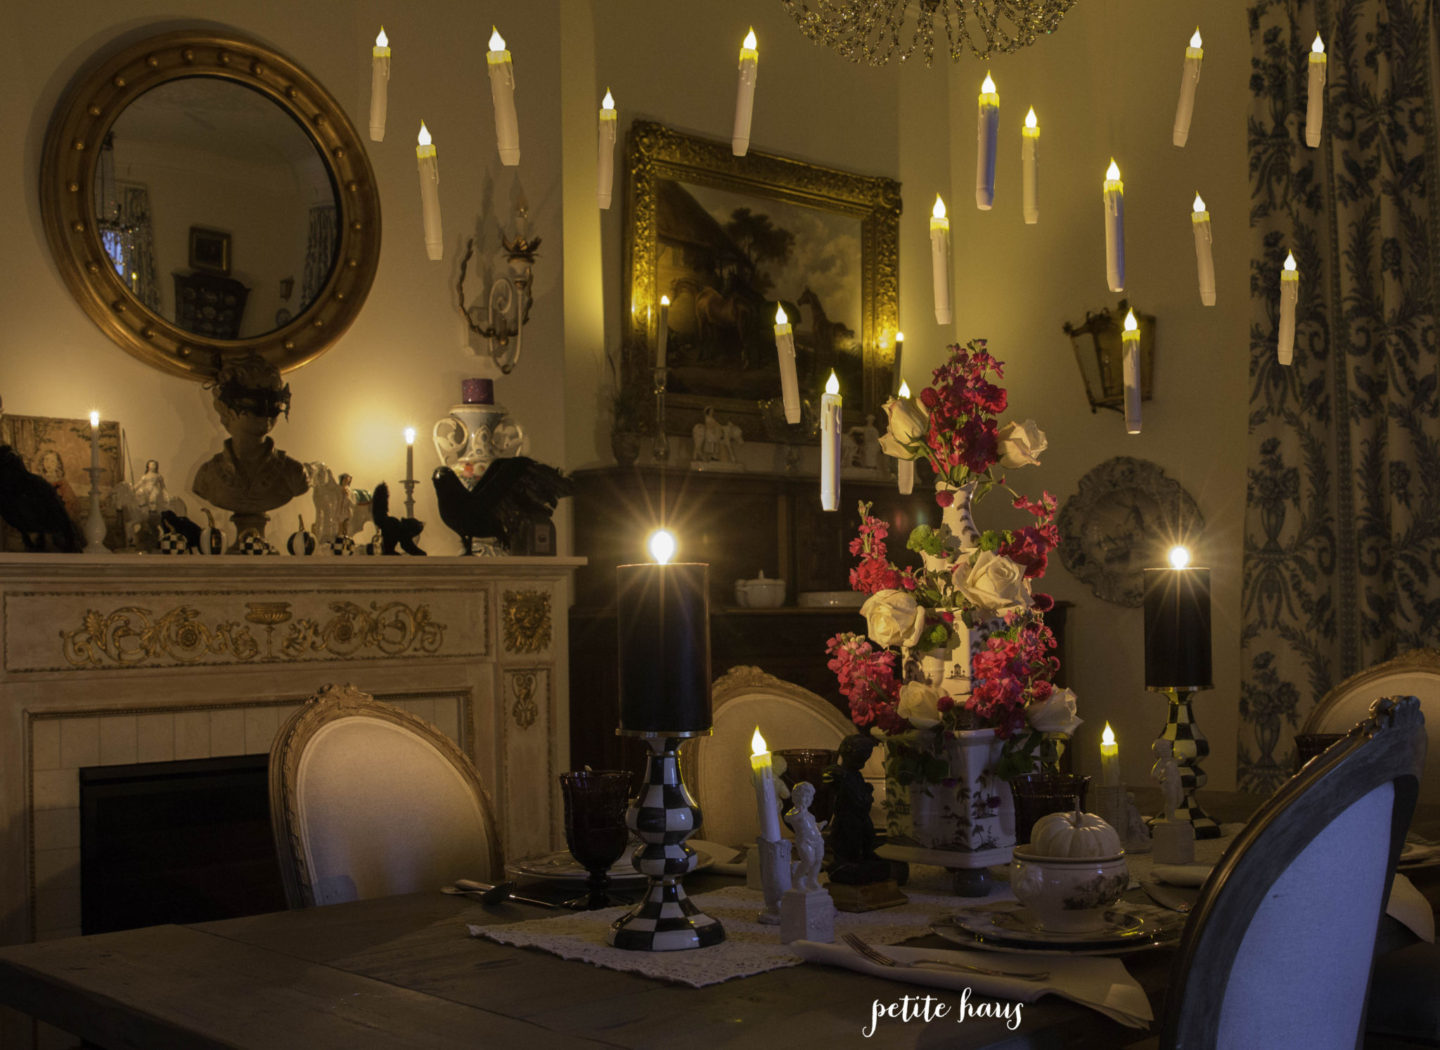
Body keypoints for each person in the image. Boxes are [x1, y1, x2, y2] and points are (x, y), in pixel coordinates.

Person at [192, 354, 308, 537]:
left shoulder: (293, 473)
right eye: (253, 402)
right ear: (225, 408)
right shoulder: (208, 476)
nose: (266, 412)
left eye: (273, 401)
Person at [822, 733, 890, 884]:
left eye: (865, 757)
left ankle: (863, 857)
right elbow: (828, 786)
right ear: (848, 753)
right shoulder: (838, 773)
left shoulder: (856, 775)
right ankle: (848, 861)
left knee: (867, 835)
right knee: (849, 839)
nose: (864, 761)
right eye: (861, 757)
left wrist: (866, 792)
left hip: (861, 815)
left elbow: (860, 794)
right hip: (847, 817)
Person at [785, 781, 826, 893]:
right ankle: (797, 880)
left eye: (810, 797)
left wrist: (819, 826)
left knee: (818, 860)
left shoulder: (809, 814)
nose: (808, 800)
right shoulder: (794, 812)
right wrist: (800, 813)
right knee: (808, 860)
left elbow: (812, 826)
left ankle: (812, 880)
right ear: (796, 797)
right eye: (804, 797)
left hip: (817, 840)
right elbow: (788, 818)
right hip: (804, 841)